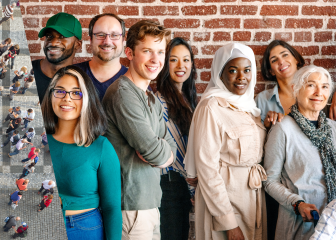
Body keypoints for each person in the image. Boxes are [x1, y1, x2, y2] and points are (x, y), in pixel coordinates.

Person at [184, 43, 266, 240]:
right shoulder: (211, 106)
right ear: (219, 73)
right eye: (232, 70)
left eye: (247, 70)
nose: (241, 77)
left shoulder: (249, 107)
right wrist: (229, 222)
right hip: (224, 200)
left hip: (252, 198)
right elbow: (207, 169)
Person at [101, 20, 174, 239]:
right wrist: (159, 152)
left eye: (160, 52)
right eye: (147, 51)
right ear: (130, 53)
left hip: (150, 203)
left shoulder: (150, 96)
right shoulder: (123, 93)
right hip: (131, 207)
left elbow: (166, 147)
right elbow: (153, 150)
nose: (156, 60)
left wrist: (163, 154)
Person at [41, 65, 122, 239]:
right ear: (51, 96)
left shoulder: (101, 147)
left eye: (76, 93)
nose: (67, 99)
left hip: (83, 229)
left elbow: (112, 208)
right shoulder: (35, 141)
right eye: (60, 91)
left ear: (86, 99)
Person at [263, 65, 333, 239]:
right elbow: (269, 181)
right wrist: (297, 204)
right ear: (296, 88)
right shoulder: (283, 129)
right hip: (300, 225)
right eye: (311, 85)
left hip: (332, 224)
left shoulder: (334, 128)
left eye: (324, 87)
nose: (319, 92)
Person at [152, 37, 197, 240]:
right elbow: (177, 154)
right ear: (164, 64)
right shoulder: (159, 101)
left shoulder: (187, 100)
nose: (181, 66)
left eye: (186, 60)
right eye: (174, 60)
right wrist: (193, 187)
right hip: (169, 187)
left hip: (179, 187)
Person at [74, 13, 127, 101]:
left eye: (114, 35)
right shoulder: (72, 75)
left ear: (123, 41)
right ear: (90, 40)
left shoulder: (134, 82)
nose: (107, 42)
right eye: (100, 35)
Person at [33, 12, 82, 102]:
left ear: (77, 45)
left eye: (62, 36)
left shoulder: (81, 82)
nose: (53, 43)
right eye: (49, 36)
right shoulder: (28, 72)